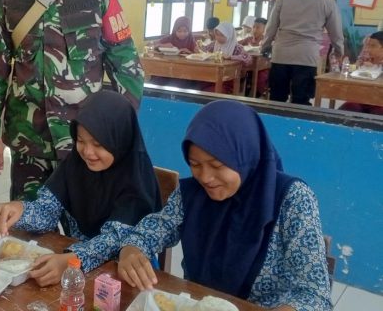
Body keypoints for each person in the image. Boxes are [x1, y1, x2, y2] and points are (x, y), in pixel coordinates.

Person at [0, 0, 144, 201]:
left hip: (85, 143)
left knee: (83, 233)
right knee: (27, 229)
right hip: (28, 142)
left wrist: (120, 133)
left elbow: (125, 63)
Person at [117, 100, 332, 310]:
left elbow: (315, 294)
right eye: (195, 165)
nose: (206, 177)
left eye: (217, 165)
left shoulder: (292, 199)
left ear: (245, 155)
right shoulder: (191, 194)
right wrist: (132, 248)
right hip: (199, 305)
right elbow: (154, 230)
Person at [0, 91, 161, 286]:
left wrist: (73, 261)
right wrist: (21, 210)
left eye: (98, 144)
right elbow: (47, 211)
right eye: (81, 141)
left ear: (119, 140)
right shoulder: (76, 164)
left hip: (129, 278)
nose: (88, 152)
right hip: (78, 272)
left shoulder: (136, 179)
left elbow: (115, 239)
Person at [262, 0, 343, 105]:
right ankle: (296, 125)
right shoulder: (327, 2)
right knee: (301, 100)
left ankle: (275, 125)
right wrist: (339, 51)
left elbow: (271, 27)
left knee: (276, 98)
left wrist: (266, 46)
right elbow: (336, 32)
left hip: (281, 54)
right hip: (306, 56)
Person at [339, 31, 383, 115]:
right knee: (347, 109)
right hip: (363, 100)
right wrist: (359, 66)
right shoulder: (367, 60)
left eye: (373, 46)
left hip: (380, 104)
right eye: (368, 46)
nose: (368, 49)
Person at [200, 23, 251, 93]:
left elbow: (248, 59)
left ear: (229, 35)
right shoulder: (215, 44)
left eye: (222, 35)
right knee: (197, 86)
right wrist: (199, 49)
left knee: (209, 91)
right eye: (217, 35)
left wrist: (231, 57)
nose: (218, 37)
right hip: (213, 77)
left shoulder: (237, 47)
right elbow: (204, 50)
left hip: (229, 81)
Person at [240, 17, 269, 97]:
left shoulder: (266, 41)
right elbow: (237, 45)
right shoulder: (248, 39)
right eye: (254, 27)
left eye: (258, 27)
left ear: (265, 29)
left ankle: (256, 95)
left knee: (261, 76)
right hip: (248, 66)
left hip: (263, 67)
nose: (255, 30)